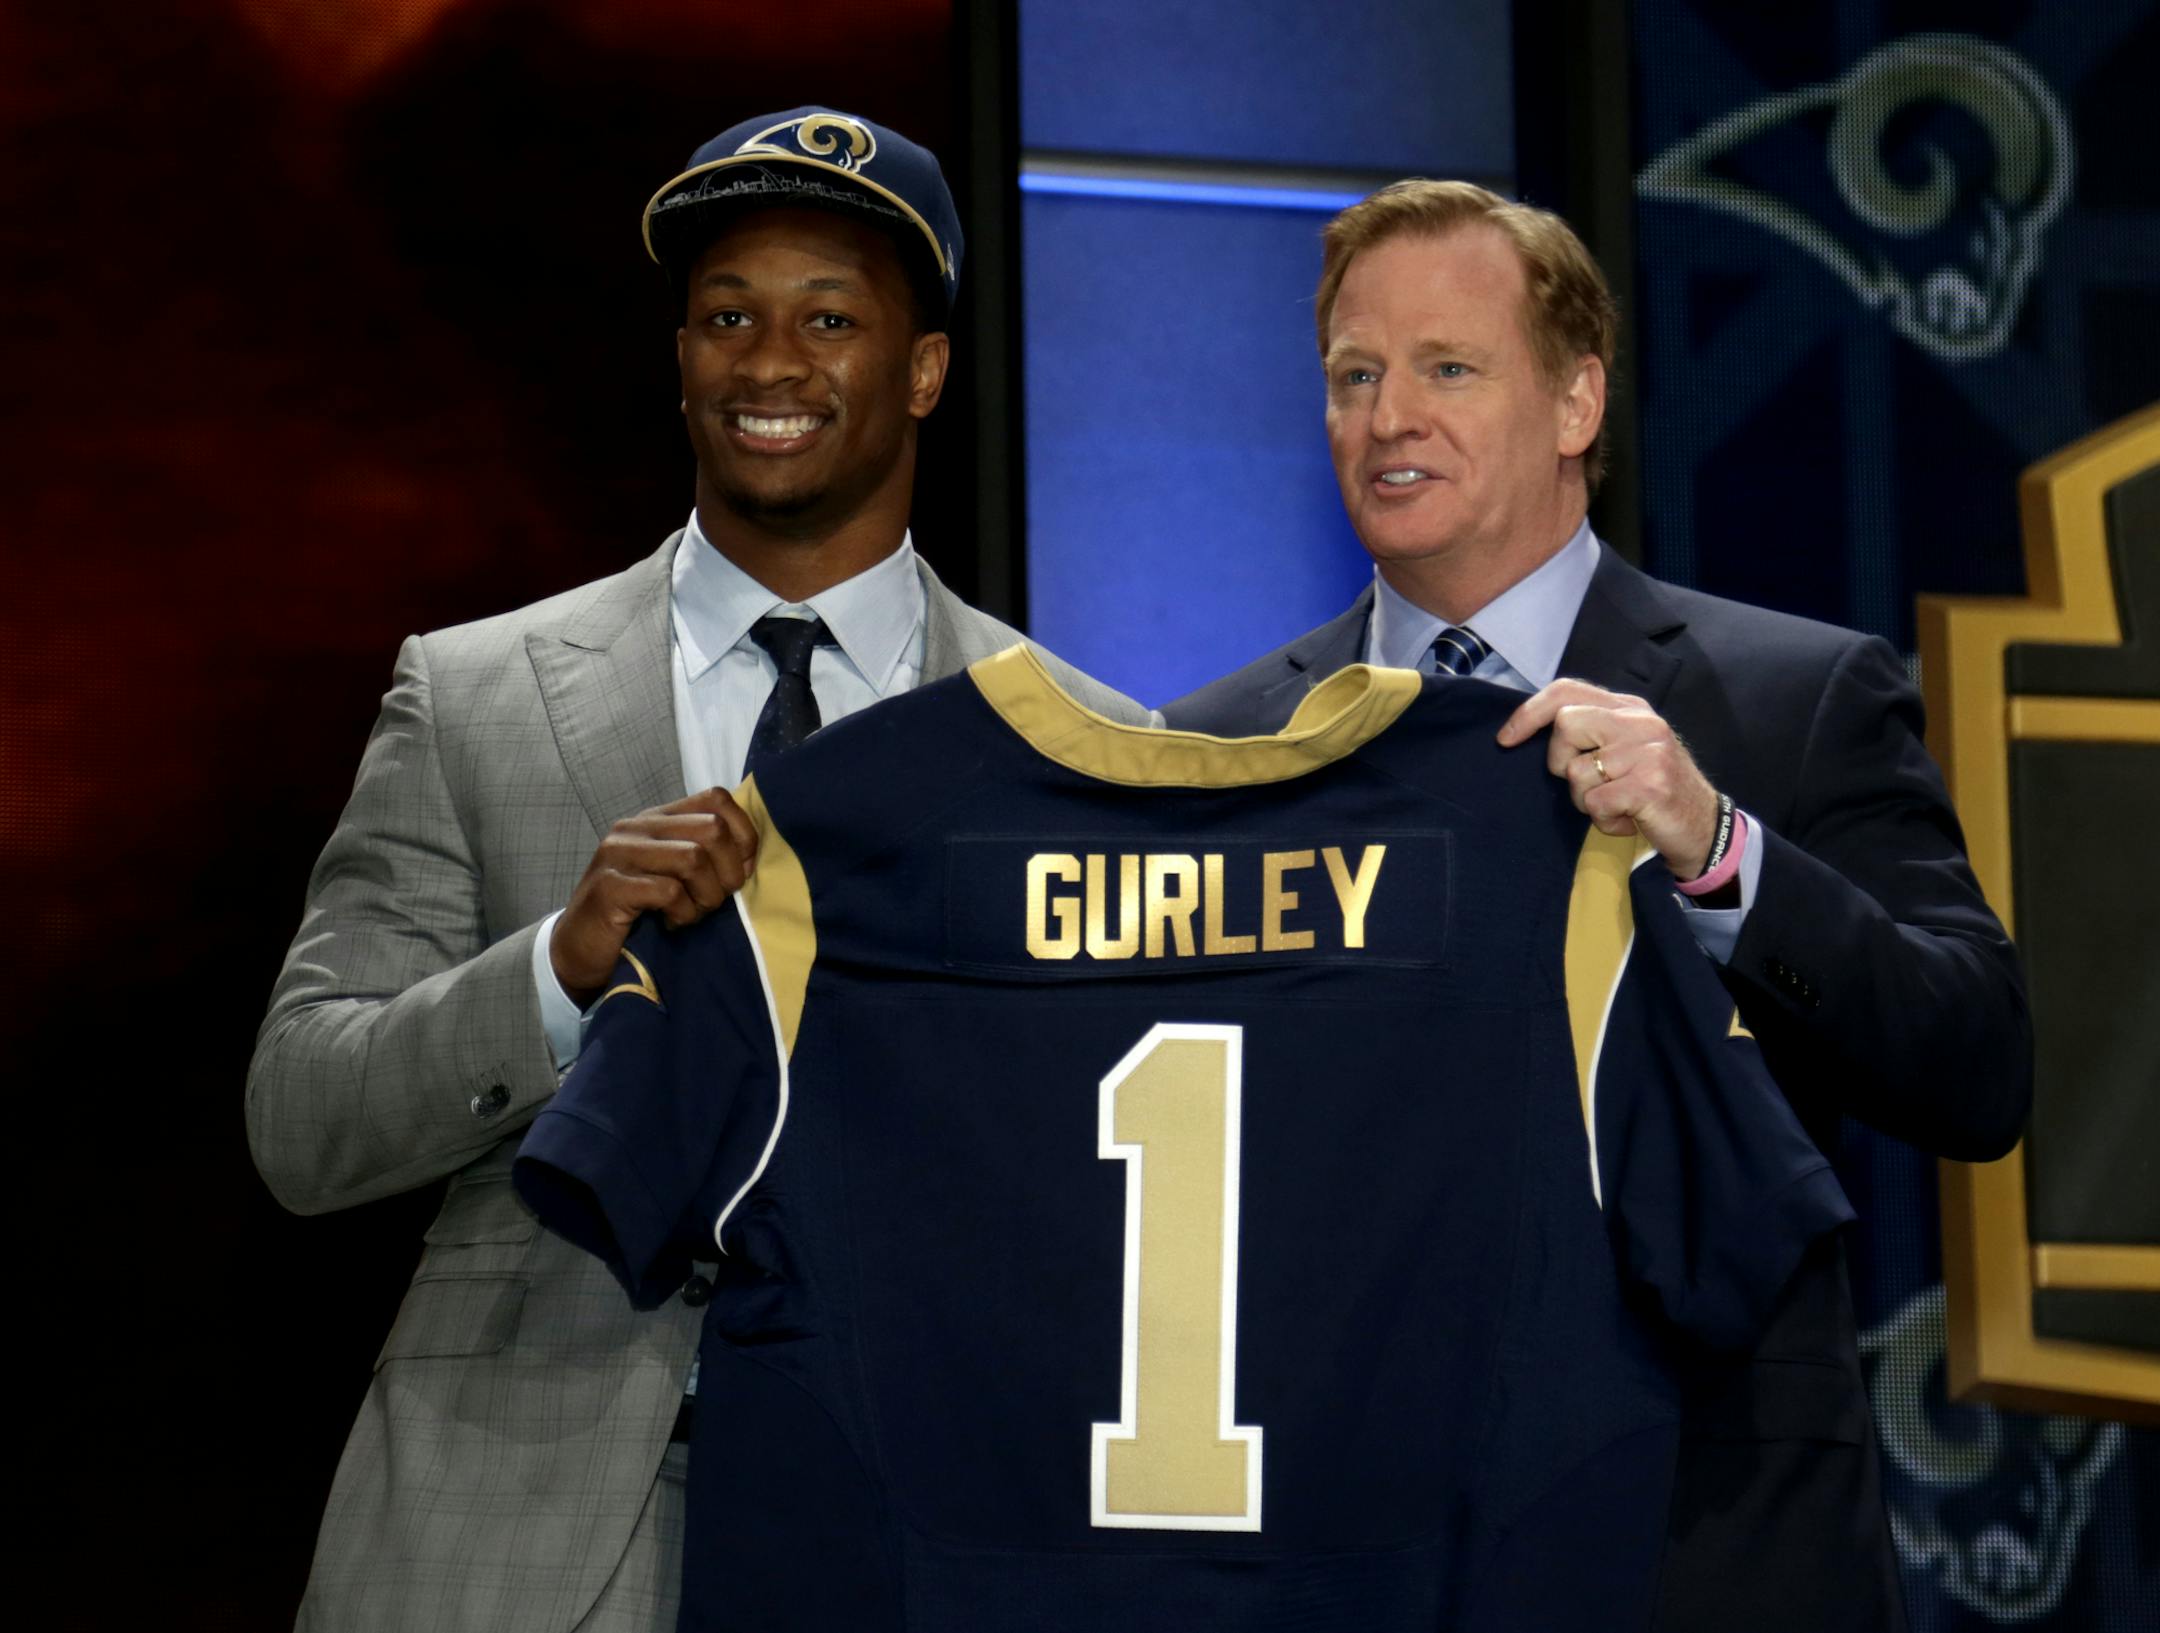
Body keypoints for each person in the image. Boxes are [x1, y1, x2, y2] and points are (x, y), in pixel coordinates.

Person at [247, 106, 1153, 1633]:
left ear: (924, 369)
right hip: (518, 1532)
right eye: (727, 316)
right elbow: (300, 1116)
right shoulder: (472, 694)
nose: (771, 362)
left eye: (829, 319)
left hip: (920, 1525)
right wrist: (556, 971)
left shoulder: (1078, 747)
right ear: (680, 361)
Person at [1162, 180, 2031, 1632]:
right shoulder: (1220, 745)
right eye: (1354, 376)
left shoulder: (1792, 700)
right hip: (1337, 1540)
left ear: (1577, 401)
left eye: (1447, 367)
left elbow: (1977, 1060)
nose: (1389, 418)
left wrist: (1712, 842)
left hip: (1702, 1540)